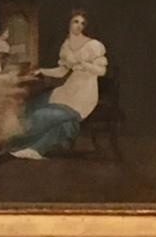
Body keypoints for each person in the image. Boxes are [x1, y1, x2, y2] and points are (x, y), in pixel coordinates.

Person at [10, 10, 108, 160]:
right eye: (76, 21)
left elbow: (101, 71)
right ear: (68, 23)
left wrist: (84, 64)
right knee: (33, 105)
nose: (79, 26)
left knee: (42, 115)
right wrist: (41, 70)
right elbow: (62, 72)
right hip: (67, 90)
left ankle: (35, 149)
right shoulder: (66, 46)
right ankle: (19, 143)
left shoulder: (93, 45)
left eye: (82, 23)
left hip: (83, 95)